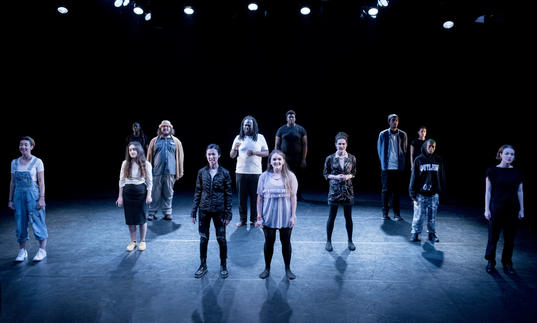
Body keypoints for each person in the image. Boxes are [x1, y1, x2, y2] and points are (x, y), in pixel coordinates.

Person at [191, 144, 233, 279]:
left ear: (219, 155)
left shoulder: (225, 173)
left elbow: (228, 195)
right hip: (204, 210)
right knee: (203, 238)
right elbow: (198, 192)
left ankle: (223, 265)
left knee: (221, 239)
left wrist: (228, 213)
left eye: (213, 154)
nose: (211, 157)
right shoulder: (201, 172)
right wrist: (194, 211)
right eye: (209, 154)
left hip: (219, 211)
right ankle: (203, 265)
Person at [256, 150, 298, 280]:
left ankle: (288, 269)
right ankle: (267, 268)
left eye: (279, 159)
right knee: (269, 243)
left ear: (283, 161)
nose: (277, 162)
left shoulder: (290, 176)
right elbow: (260, 198)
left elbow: (293, 197)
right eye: (274, 159)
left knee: (286, 243)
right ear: (270, 162)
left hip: (285, 217)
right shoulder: (264, 177)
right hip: (268, 217)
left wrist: (293, 216)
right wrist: (259, 216)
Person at [484, 145, 524, 274]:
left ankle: (507, 262)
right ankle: (491, 261)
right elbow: (488, 191)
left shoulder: (516, 172)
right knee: (493, 236)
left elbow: (520, 191)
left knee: (510, 238)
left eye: (512, 154)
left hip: (512, 208)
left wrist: (522, 209)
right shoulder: (492, 171)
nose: (509, 156)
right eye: (507, 153)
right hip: (497, 206)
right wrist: (487, 209)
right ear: (500, 154)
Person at [8, 136, 48, 262]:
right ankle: (22, 251)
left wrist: (42, 198)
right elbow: (12, 182)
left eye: (26, 144)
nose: (23, 147)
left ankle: (42, 250)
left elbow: (41, 182)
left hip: (33, 195)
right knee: (20, 222)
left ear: (31, 146)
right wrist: (10, 199)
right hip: (18, 196)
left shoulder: (37, 162)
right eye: (21, 144)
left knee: (38, 220)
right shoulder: (14, 162)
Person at [230, 115, 269, 227]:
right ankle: (243, 220)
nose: (246, 127)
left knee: (255, 198)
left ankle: (254, 219)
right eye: (245, 125)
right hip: (241, 172)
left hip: (256, 173)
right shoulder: (238, 138)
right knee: (242, 198)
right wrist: (234, 149)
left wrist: (254, 153)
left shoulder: (260, 137)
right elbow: (232, 156)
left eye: (249, 125)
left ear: (253, 126)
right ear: (242, 126)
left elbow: (266, 153)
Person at [323, 132, 357, 252]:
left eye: (343, 144)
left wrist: (349, 176)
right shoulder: (330, 158)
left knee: (348, 218)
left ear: (346, 144)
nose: (341, 146)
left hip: (347, 191)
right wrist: (336, 177)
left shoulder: (352, 158)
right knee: (331, 217)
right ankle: (328, 241)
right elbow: (325, 174)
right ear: (335, 144)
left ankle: (350, 240)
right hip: (334, 191)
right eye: (339, 144)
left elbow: (354, 172)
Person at [116, 141, 153, 252]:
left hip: (140, 193)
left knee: (141, 218)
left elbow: (150, 181)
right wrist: (120, 197)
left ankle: (142, 241)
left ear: (139, 150)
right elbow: (121, 181)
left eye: (134, 149)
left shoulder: (146, 164)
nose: (132, 151)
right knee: (131, 219)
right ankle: (133, 242)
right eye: (130, 149)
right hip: (128, 193)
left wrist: (149, 195)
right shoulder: (125, 163)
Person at [146, 120, 184, 221]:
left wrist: (179, 171)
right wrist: (147, 171)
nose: (165, 128)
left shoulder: (176, 141)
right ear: (160, 129)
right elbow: (149, 157)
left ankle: (167, 213)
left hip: (170, 172)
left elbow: (180, 158)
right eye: (163, 127)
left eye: (167, 127)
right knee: (154, 193)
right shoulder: (154, 141)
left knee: (168, 193)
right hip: (156, 172)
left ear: (171, 128)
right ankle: (151, 213)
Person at [409, 139, 445, 243]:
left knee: (432, 216)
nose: (431, 148)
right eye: (429, 146)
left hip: (433, 194)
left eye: (433, 146)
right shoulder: (418, 160)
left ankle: (432, 234)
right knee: (418, 215)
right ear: (425, 146)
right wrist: (412, 192)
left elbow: (442, 176)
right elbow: (414, 177)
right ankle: (415, 233)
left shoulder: (438, 159)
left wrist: (441, 190)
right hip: (421, 194)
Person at [377, 113, 408, 221]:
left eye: (396, 120)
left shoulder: (403, 135)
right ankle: (385, 213)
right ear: (389, 122)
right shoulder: (383, 134)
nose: (395, 122)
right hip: (386, 167)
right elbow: (379, 149)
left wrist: (402, 163)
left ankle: (397, 214)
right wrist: (383, 163)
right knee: (385, 191)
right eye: (392, 120)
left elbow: (404, 150)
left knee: (396, 192)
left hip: (398, 168)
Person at [275, 110, 308, 201]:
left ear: (295, 118)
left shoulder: (301, 129)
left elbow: (305, 144)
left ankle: (298, 195)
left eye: (293, 117)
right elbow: (277, 145)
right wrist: (277, 158)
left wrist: (303, 159)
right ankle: (286, 194)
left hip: (298, 158)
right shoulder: (281, 129)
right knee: (285, 176)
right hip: (285, 159)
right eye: (289, 117)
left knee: (298, 177)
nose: (291, 118)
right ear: (286, 118)